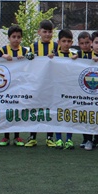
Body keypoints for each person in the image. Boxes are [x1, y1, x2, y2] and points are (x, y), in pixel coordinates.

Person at [26, 19, 58, 148]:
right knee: (35, 108)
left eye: (50, 32)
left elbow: (63, 59)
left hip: (51, 83)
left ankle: (49, 137)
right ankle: (32, 137)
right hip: (37, 83)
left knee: (50, 109)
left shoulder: (56, 46)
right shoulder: (33, 46)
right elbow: (27, 60)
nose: (47, 34)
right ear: (39, 32)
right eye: (45, 32)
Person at [0, 25, 29, 147]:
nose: (16, 39)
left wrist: (25, 58)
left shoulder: (25, 51)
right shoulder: (3, 50)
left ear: (21, 38)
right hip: (6, 85)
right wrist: (3, 56)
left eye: (18, 37)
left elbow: (32, 62)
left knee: (17, 109)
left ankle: (17, 136)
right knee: (7, 109)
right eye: (13, 37)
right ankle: (6, 136)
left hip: (19, 84)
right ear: (9, 38)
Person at [51, 29, 76, 150]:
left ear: (72, 43)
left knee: (69, 114)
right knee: (58, 114)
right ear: (59, 42)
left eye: (69, 41)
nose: (66, 43)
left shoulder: (74, 56)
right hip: (57, 90)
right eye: (64, 41)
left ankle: (69, 139)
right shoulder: (54, 56)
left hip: (70, 91)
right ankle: (58, 139)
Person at [74, 31, 98, 150]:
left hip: (96, 90)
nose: (85, 45)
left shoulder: (96, 54)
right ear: (78, 44)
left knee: (96, 114)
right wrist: (72, 59)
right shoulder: (77, 55)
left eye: (87, 42)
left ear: (91, 42)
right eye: (82, 43)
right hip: (82, 91)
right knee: (84, 114)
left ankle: (95, 140)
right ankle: (86, 139)